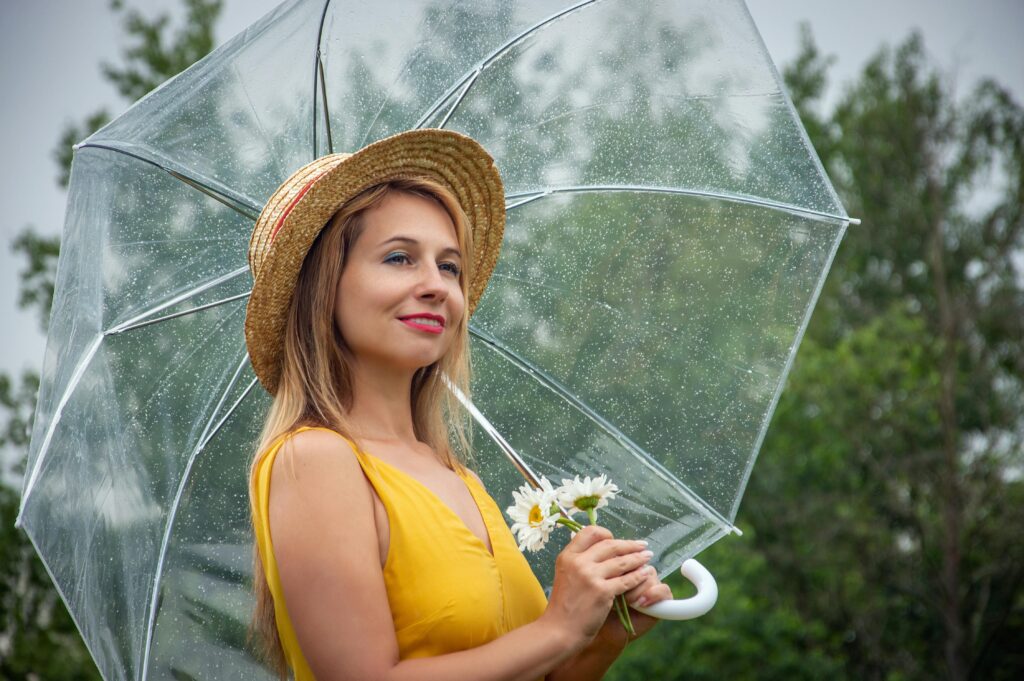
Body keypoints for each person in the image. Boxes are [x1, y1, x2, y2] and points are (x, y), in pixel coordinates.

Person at [245, 129, 672, 680]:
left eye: (449, 267)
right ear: (324, 288)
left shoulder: (457, 476)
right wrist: (557, 629)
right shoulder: (315, 461)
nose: (437, 286)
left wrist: (601, 638)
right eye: (399, 258)